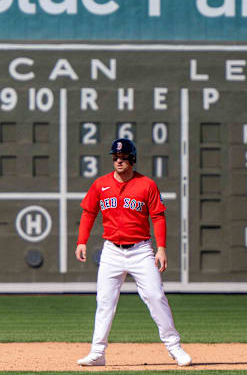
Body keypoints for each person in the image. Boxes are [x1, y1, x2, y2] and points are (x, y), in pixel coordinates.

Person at [75, 138, 191, 367]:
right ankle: (98, 352)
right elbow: (88, 212)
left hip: (140, 250)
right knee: (105, 301)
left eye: (124, 157)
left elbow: (157, 216)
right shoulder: (101, 184)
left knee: (155, 296)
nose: (119, 161)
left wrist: (161, 248)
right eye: (116, 157)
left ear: (132, 159)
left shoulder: (146, 184)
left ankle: (174, 347)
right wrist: (81, 241)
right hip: (111, 251)